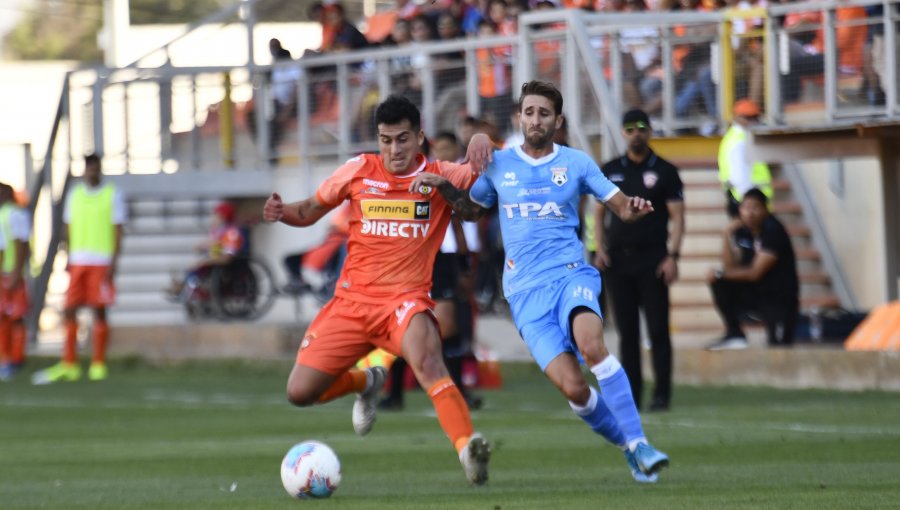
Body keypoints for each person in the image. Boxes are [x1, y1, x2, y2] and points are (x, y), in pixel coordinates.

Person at [409, 80, 670, 483]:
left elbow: (619, 206)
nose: (535, 120)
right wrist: (444, 187)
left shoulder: (577, 163)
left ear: (557, 121)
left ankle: (641, 441)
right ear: (519, 118)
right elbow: (472, 212)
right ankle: (629, 448)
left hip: (570, 275)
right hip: (524, 294)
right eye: (529, 112)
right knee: (574, 389)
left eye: (544, 113)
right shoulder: (500, 164)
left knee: (592, 344)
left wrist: (634, 208)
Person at [261, 95, 491, 485]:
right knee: (299, 392)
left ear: (419, 137)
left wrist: (485, 139)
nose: (393, 149)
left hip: (404, 302)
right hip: (350, 302)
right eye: (385, 140)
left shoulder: (441, 173)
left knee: (429, 362)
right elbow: (310, 210)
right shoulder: (358, 170)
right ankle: (366, 382)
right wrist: (283, 213)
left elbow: (478, 201)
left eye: (402, 139)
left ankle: (468, 448)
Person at [593, 110, 685, 412]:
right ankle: (632, 394)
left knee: (658, 330)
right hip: (619, 261)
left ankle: (662, 394)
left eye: (642, 128)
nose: (636, 133)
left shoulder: (666, 171)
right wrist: (599, 249)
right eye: (630, 128)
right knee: (627, 333)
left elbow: (678, 216)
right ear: (623, 132)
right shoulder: (611, 169)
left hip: (653, 259)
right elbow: (598, 212)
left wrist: (673, 256)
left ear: (650, 131)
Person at [32, 154, 126, 384]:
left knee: (99, 309)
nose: (91, 172)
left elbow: (118, 229)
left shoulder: (112, 194)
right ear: (84, 170)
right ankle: (70, 362)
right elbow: (68, 227)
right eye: (88, 168)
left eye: (95, 168)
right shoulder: (75, 195)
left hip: (101, 261)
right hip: (78, 260)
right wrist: (67, 255)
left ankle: (98, 363)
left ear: (100, 170)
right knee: (70, 308)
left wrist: (114, 261)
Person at [706, 188, 799, 350]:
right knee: (719, 281)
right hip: (756, 294)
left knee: (779, 348)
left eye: (755, 208)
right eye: (746, 207)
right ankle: (735, 333)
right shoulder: (743, 232)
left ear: (765, 210)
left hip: (778, 299)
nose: (750, 213)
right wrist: (726, 234)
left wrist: (721, 273)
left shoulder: (773, 230)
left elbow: (755, 273)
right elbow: (731, 267)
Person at [167, 201, 245, 304]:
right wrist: (201, 247)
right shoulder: (218, 231)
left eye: (216, 215)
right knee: (193, 267)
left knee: (200, 264)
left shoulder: (231, 233)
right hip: (214, 258)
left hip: (226, 262)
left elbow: (227, 257)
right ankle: (183, 286)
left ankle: (184, 288)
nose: (213, 218)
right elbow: (212, 243)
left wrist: (207, 260)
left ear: (224, 217)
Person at [718, 99, 772, 217]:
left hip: (744, 200)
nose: (753, 121)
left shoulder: (735, 136)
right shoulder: (740, 141)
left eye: (755, 117)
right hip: (748, 202)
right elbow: (739, 175)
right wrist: (750, 205)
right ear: (737, 118)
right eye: (749, 118)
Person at [0, 183, 30, 381]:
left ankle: (16, 359)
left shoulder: (15, 214)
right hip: (5, 273)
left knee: (16, 316)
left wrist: (17, 274)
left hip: (10, 273)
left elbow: (20, 244)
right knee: (4, 316)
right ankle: (5, 358)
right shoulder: (4, 214)